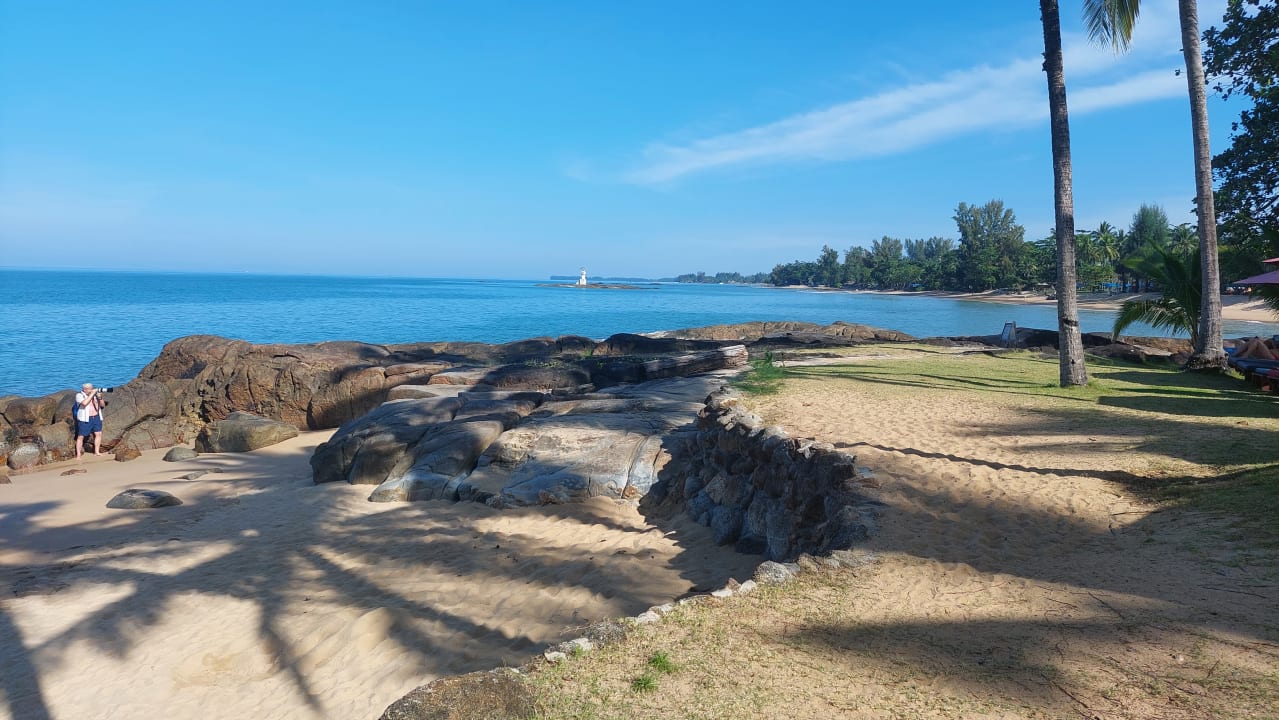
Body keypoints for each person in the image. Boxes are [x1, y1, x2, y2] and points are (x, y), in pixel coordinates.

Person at [75, 382, 105, 458]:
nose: (91, 390)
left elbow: (102, 405)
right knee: (81, 436)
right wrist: (92, 394)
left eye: (92, 388)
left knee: (98, 434)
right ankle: (78, 455)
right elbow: (84, 403)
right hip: (85, 419)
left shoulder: (95, 396)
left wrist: (100, 398)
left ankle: (97, 452)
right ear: (84, 389)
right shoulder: (79, 395)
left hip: (96, 417)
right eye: (89, 389)